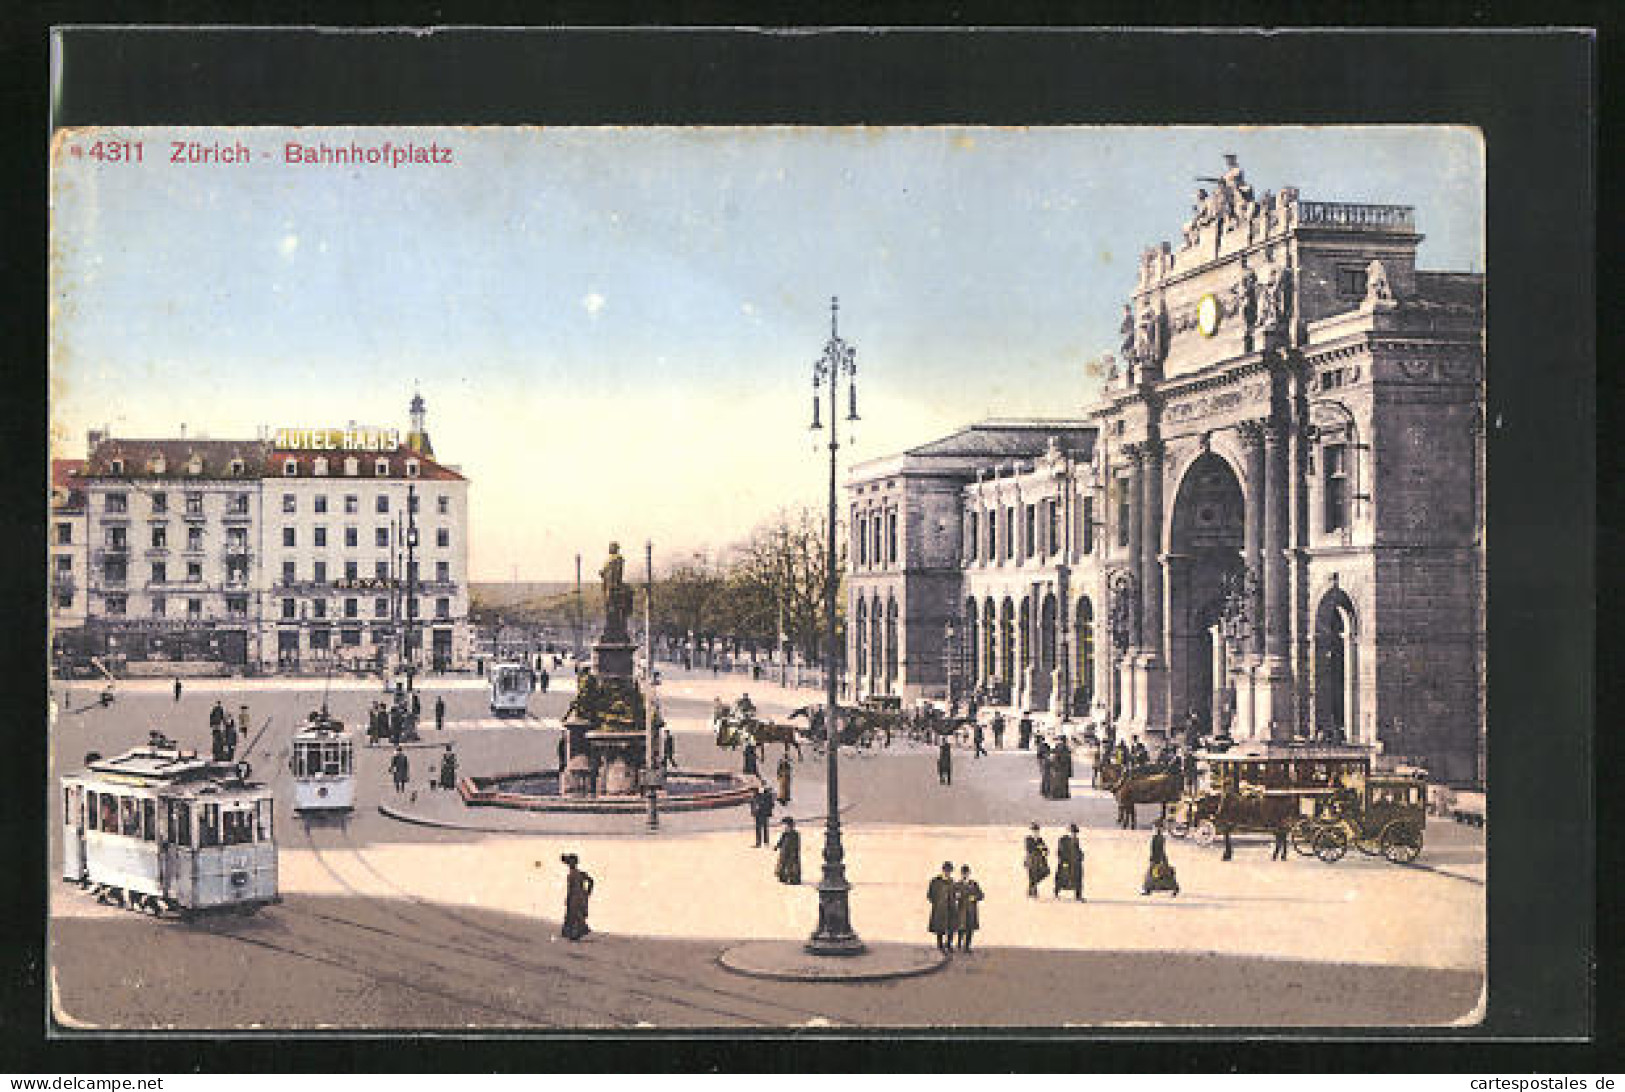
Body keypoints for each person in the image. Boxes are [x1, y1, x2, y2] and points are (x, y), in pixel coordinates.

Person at [559, 854, 594, 941]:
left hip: (576, 897)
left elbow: (590, 881)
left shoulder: (576, 873)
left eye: (571, 863)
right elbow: (590, 881)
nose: (569, 865)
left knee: (574, 915)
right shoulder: (578, 873)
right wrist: (587, 892)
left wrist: (588, 892)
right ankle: (574, 934)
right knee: (575, 915)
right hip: (579, 896)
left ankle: (575, 933)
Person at [1142, 822, 1180, 897]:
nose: (1155, 829)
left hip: (1157, 858)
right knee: (1156, 874)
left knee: (1155, 874)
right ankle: (1148, 889)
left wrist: (1159, 858)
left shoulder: (1158, 838)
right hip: (1157, 858)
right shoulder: (1158, 837)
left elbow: (1159, 849)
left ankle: (1148, 889)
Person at [927, 862, 958, 954]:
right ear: (943, 870)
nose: (947, 872)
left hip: (951, 909)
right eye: (946, 870)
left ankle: (948, 944)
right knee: (939, 928)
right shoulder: (935, 881)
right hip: (940, 909)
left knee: (951, 928)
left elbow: (955, 894)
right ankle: (940, 945)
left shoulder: (952, 882)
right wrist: (937, 904)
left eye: (949, 871)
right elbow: (930, 895)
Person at [953, 865, 984, 952]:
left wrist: (975, 897)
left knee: (970, 929)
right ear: (961, 874)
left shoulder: (974, 884)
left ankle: (967, 946)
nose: (965, 875)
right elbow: (953, 896)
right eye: (963, 873)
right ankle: (959, 945)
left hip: (971, 910)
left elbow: (981, 895)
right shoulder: (957, 885)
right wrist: (956, 896)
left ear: (969, 873)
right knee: (961, 928)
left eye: (966, 873)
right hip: (961, 909)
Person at [1055, 823, 1085, 901]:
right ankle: (1056, 893)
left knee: (1078, 878)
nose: (1074, 834)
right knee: (1062, 879)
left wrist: (1081, 855)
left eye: (1075, 833)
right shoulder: (1063, 840)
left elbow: (1077, 850)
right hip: (1066, 862)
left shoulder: (1076, 840)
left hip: (1075, 863)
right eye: (1072, 832)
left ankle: (1078, 896)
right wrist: (1063, 861)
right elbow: (1060, 851)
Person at [1024, 824, 1050, 898]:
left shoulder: (1040, 839)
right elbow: (1029, 849)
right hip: (1031, 860)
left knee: (1046, 872)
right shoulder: (1028, 839)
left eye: (1037, 831)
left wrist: (1044, 850)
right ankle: (1032, 891)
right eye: (1034, 831)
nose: (1036, 832)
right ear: (1031, 831)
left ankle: (1032, 888)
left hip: (1040, 861)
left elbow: (1046, 849)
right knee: (1032, 876)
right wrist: (1039, 848)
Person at [773, 817, 801, 885]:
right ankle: (782, 877)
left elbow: (797, 844)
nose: (785, 828)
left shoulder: (795, 834)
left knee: (792, 866)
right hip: (784, 851)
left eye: (787, 826)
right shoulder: (785, 834)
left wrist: (795, 851)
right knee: (782, 864)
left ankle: (794, 879)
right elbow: (781, 841)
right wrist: (777, 846)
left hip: (792, 852)